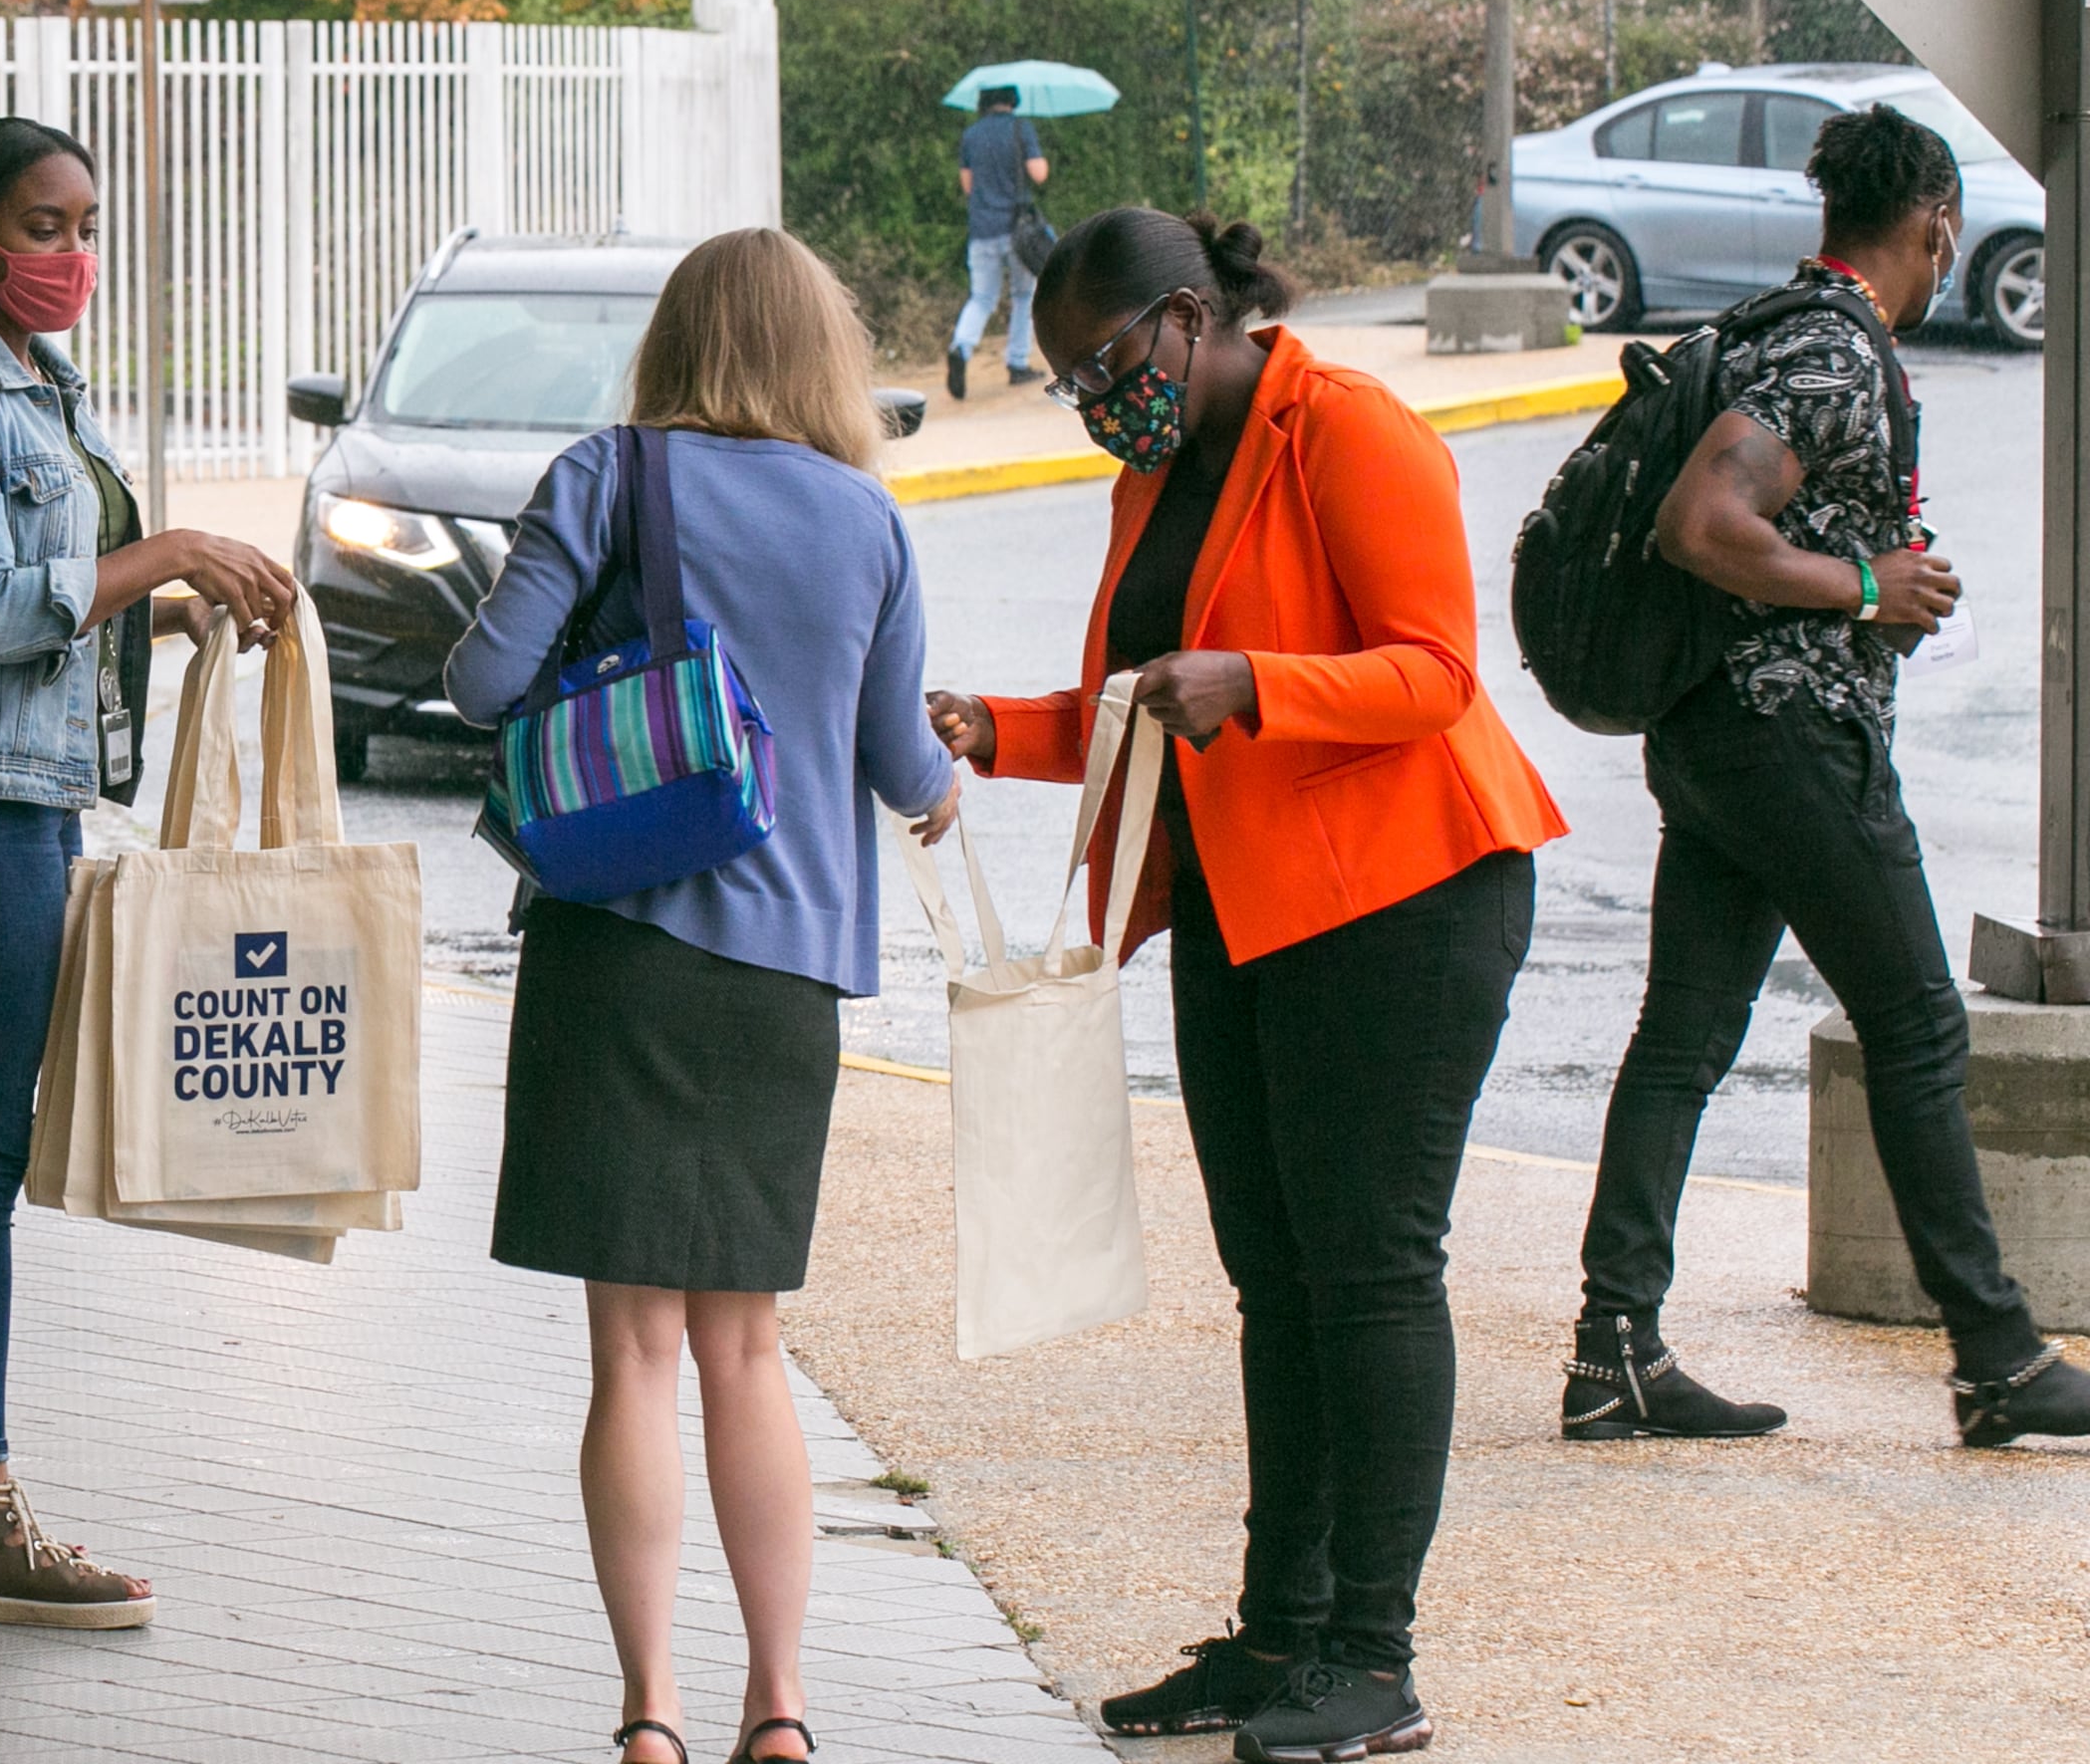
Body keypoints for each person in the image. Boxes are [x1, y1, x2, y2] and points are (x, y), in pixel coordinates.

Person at [925, 208, 1565, 1764]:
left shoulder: (1349, 429)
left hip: (1406, 900)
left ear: (1192, 313)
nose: (1097, 403)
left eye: (1111, 365)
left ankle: (1374, 1662)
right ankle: (1280, 1636)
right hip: (1241, 913)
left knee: (1369, 1271)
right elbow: (1141, 701)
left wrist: (1257, 686)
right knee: (1275, 1286)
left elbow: (1435, 674)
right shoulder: (1156, 473)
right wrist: (993, 728)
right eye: (1074, 382)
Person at [444, 228, 958, 1764]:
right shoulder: (868, 519)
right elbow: (900, 761)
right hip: (784, 975)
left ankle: (651, 1712)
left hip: (616, 944)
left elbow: (481, 685)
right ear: (824, 352)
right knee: (748, 1346)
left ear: (675, 340)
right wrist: (943, 783)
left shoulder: (607, 475)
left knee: (635, 1356)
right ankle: (781, 1704)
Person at [0, 115, 298, 1630]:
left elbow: (36, 610)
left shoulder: (36, 386)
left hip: (2, 790)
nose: (71, 253)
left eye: (85, 222)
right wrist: (160, 555)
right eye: (41, 225)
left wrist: (157, 614)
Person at [1568, 104, 2090, 1448]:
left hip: (1713, 737)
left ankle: (1614, 1349)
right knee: (1919, 1030)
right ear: (1933, 227)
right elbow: (1703, 526)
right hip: (1794, 742)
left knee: (1682, 1042)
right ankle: (1998, 1357)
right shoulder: (1833, 354)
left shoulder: (1775, 325)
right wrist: (1871, 584)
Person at [948, 83, 1049, 400]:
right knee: (1022, 295)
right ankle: (1017, 364)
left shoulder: (972, 134)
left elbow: (968, 185)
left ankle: (960, 349)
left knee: (981, 298)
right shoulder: (1021, 128)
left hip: (982, 229)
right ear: (1013, 99)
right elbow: (1039, 173)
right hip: (1017, 230)